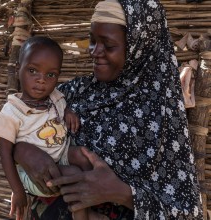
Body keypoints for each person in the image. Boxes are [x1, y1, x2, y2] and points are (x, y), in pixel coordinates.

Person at [12, 0, 204, 219]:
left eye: (109, 45)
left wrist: (121, 193)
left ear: (138, 47)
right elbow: (14, 123)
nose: (95, 52)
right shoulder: (73, 92)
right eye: (92, 41)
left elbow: (187, 213)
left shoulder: (163, 115)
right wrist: (22, 151)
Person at [0, 36, 100, 220]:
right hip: (35, 175)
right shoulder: (12, 112)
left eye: (50, 75)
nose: (41, 80)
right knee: (74, 174)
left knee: (84, 156)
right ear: (18, 70)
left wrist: (69, 112)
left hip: (60, 155)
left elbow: (62, 106)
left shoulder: (54, 96)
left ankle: (87, 208)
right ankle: (83, 216)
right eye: (33, 71)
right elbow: (5, 154)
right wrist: (17, 191)